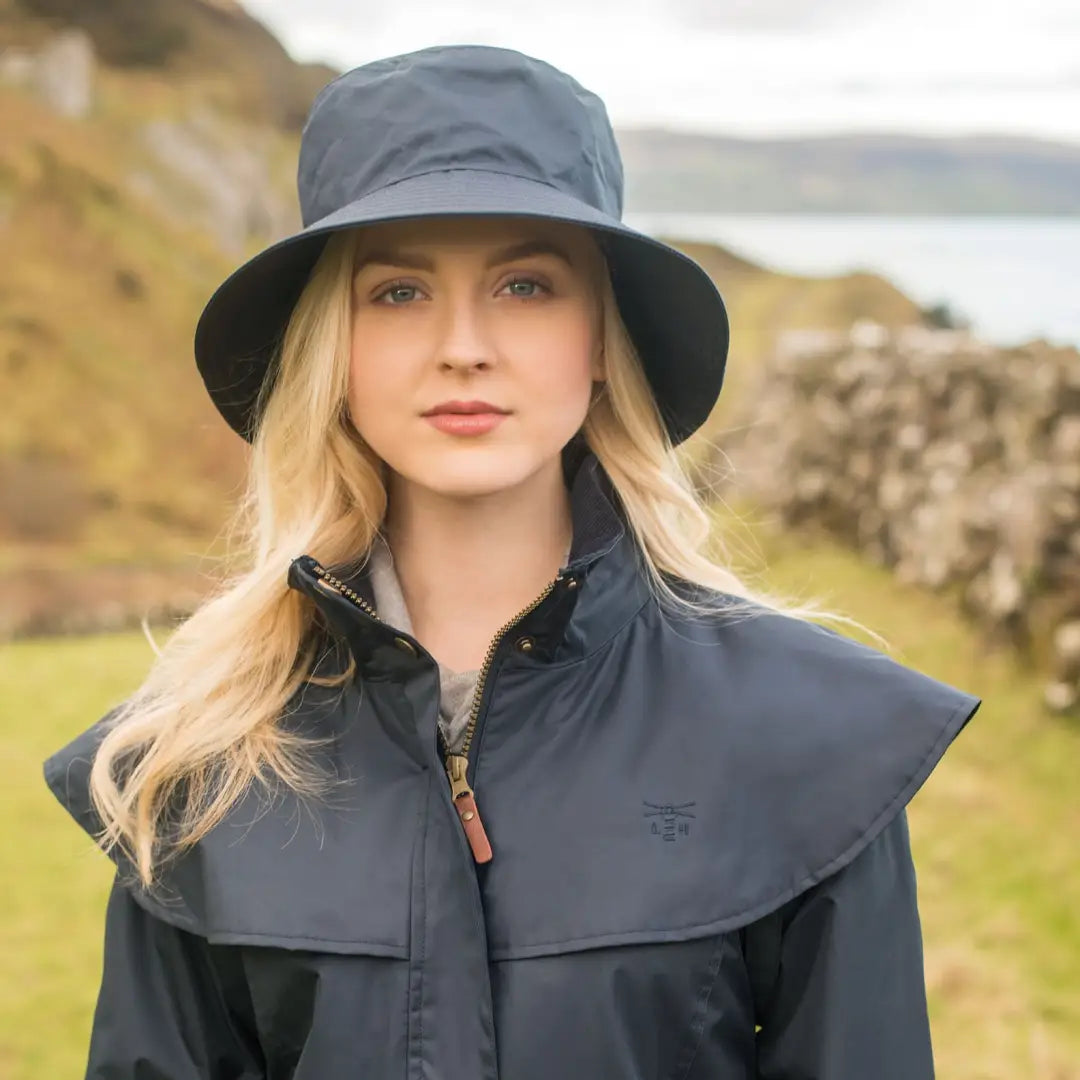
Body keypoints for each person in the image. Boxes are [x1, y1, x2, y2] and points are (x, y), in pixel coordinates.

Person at [43, 44, 981, 1079]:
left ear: (599, 336)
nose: (464, 344)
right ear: (332, 350)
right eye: (397, 292)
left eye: (526, 285)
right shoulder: (200, 768)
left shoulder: (810, 743)